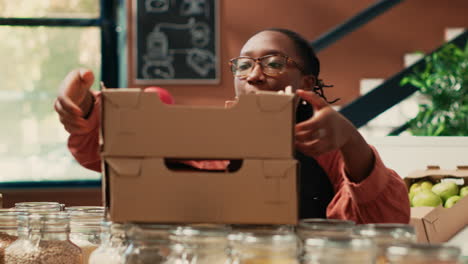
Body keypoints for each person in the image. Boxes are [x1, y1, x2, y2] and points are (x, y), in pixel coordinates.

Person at [55, 28, 410, 224]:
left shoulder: (328, 146)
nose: (254, 75)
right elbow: (124, 156)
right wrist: (83, 109)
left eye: (273, 63)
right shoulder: (211, 135)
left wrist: (349, 138)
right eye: (243, 65)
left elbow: (386, 219)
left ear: (307, 79)